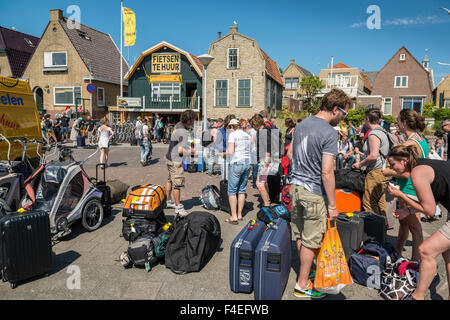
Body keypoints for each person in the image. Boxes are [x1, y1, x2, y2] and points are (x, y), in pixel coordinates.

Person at [287, 88, 351, 298]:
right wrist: (333, 205)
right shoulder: (328, 132)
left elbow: (289, 153)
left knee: (301, 233)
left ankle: (305, 272)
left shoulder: (302, 124)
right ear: (335, 109)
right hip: (313, 191)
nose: (344, 117)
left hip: (295, 187)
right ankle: (303, 284)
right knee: (312, 240)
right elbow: (327, 171)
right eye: (344, 113)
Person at [386, 145, 450, 300]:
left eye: (393, 164)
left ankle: (417, 296)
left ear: (404, 161)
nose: (391, 169)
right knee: (447, 255)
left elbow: (430, 211)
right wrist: (408, 211)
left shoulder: (417, 173)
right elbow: (431, 201)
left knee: (426, 250)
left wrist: (400, 194)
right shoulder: (421, 165)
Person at [382, 109, 428, 261]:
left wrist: (388, 172)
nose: (396, 123)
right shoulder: (420, 139)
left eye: (398, 121)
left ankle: (415, 264)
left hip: (409, 189)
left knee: (415, 228)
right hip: (410, 187)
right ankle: (397, 254)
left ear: (405, 123)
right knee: (403, 224)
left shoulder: (409, 144)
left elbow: (408, 173)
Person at [352, 108, 391, 218]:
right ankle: (382, 228)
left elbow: (373, 156)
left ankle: (373, 231)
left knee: (368, 202)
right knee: (379, 201)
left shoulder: (373, 134)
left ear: (367, 119)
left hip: (375, 172)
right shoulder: (383, 131)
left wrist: (360, 164)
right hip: (383, 171)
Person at [165, 109, 195, 217]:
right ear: (189, 120)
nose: (194, 122)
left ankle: (168, 201)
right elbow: (180, 151)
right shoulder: (183, 131)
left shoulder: (178, 124)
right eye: (193, 120)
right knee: (177, 183)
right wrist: (191, 151)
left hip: (169, 157)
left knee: (170, 180)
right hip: (175, 160)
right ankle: (178, 207)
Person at [225, 118, 251, 224]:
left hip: (236, 163)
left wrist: (224, 153)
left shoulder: (233, 135)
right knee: (242, 190)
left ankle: (234, 216)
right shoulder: (247, 135)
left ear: (232, 126)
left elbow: (230, 151)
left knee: (232, 191)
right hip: (247, 163)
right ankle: (240, 214)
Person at [250, 114, 274, 208]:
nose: (253, 128)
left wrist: (265, 163)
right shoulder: (267, 130)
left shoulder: (262, 133)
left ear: (256, 124)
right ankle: (267, 200)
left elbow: (268, 148)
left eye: (253, 126)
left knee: (259, 183)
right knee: (264, 182)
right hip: (267, 160)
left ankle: (267, 204)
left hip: (265, 161)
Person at [215, 115, 236, 180]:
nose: (230, 128)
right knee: (225, 177)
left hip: (234, 155)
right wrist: (226, 149)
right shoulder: (221, 131)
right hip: (224, 155)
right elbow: (217, 144)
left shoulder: (236, 130)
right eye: (228, 126)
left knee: (234, 176)